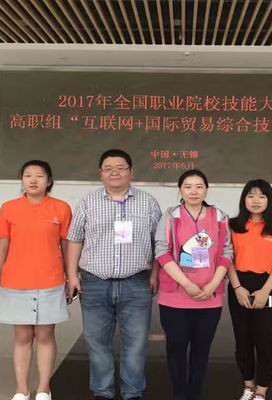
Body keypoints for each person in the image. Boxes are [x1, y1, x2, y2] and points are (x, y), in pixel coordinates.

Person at [66, 149, 161, 400]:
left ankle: (133, 392)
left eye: (120, 167)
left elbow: (160, 243)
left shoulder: (148, 203)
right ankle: (103, 391)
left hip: (136, 282)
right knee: (97, 342)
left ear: (131, 172)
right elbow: (74, 239)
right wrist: (72, 275)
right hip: (95, 282)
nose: (114, 172)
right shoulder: (88, 202)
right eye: (108, 168)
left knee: (136, 343)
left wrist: (155, 274)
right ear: (101, 173)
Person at [0, 160, 72, 400]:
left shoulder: (61, 208)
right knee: (22, 337)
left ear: (49, 181)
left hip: (51, 280)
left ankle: (44, 388)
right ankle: (22, 390)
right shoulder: (9, 208)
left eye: (39, 176)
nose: (33, 180)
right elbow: (2, 248)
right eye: (28, 175)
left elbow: (67, 246)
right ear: (22, 180)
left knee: (46, 336)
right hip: (16, 282)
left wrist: (70, 277)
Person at [155, 169, 233, 400]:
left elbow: (227, 251)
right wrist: (187, 284)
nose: (194, 191)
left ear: (206, 189)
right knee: (176, 349)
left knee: (202, 350)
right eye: (188, 186)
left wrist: (213, 285)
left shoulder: (219, 217)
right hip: (175, 296)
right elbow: (162, 251)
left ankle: (195, 394)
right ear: (180, 190)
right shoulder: (171, 216)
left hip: (210, 297)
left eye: (199, 186)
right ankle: (179, 394)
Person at [227, 179, 272, 400]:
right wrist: (237, 287)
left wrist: (265, 291)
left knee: (265, 340)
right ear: (244, 199)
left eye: (261, 196)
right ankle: (248, 386)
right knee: (243, 340)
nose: (256, 200)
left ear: (269, 200)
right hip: (239, 284)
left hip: (268, 285)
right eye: (251, 195)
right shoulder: (233, 225)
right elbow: (227, 259)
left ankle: (262, 390)